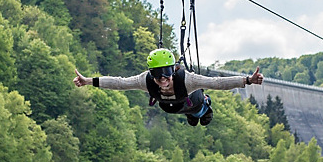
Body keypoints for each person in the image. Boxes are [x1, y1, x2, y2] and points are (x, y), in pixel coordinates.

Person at [73, 48, 264, 126]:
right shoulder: (145, 81)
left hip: (192, 100)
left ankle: (205, 106)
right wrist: (88, 81)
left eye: (166, 72)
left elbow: (217, 83)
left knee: (199, 109)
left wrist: (248, 80)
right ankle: (191, 114)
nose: (163, 78)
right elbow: (120, 83)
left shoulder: (188, 80)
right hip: (172, 106)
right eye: (157, 74)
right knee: (170, 107)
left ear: (173, 70)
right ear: (151, 73)